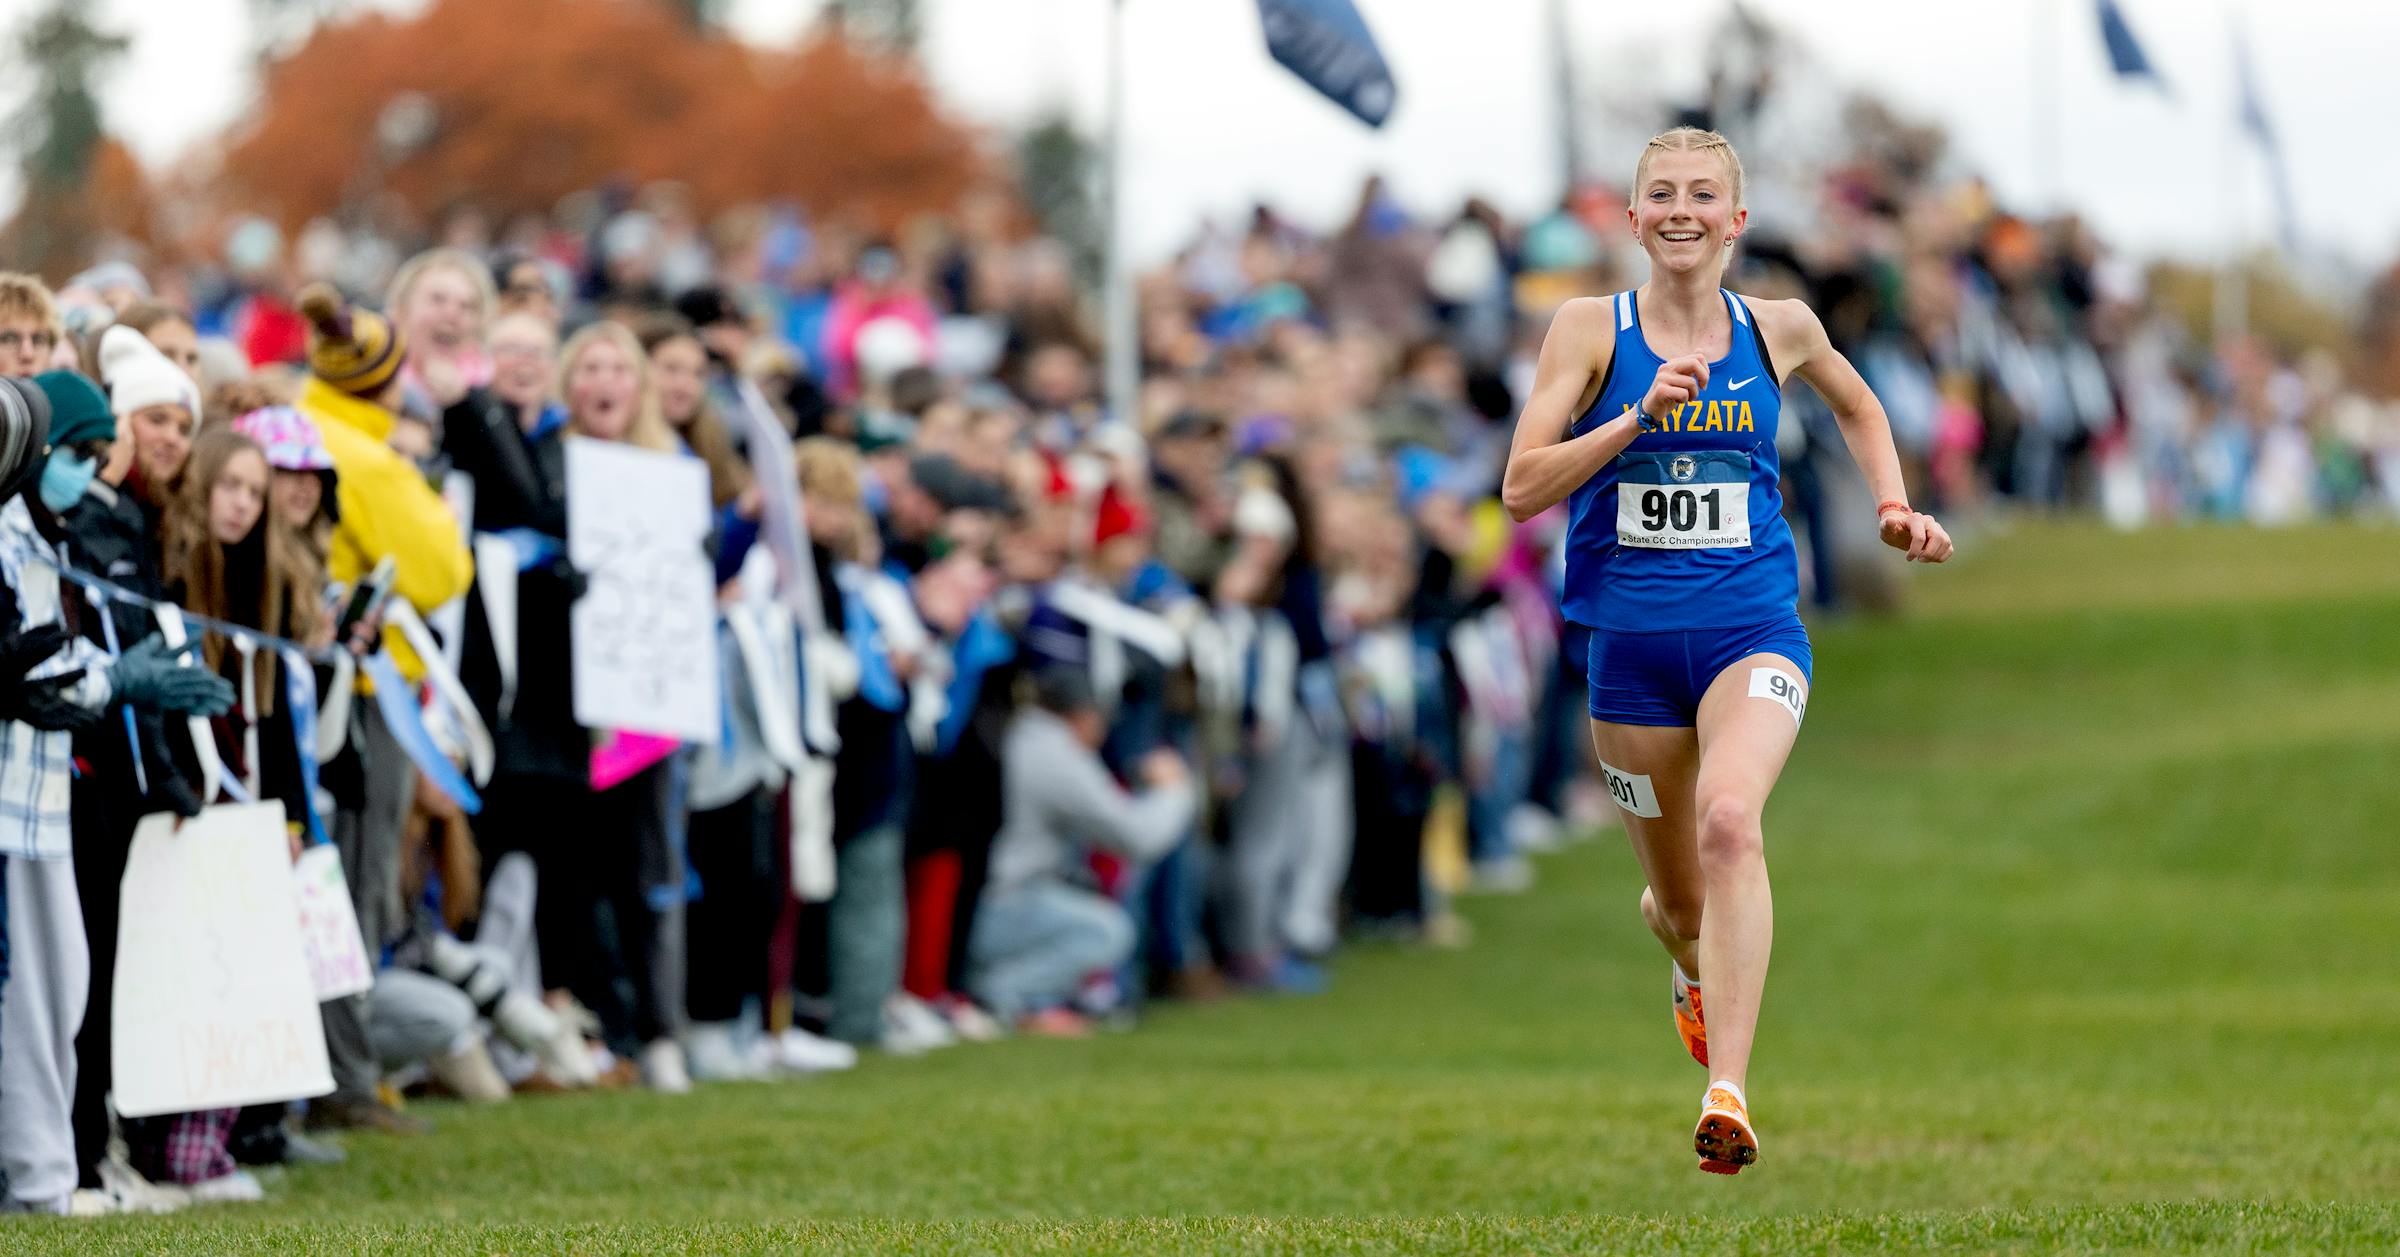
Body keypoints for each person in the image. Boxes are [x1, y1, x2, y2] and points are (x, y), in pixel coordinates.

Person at [1500, 127, 1953, 1175]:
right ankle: (1689, 967)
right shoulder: (1587, 330)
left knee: (1732, 821)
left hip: (1753, 628)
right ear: (1632, 217)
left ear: (1736, 221)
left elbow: (1860, 402)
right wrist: (1630, 422)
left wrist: (1893, 502)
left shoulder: (1780, 326)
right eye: (1660, 193)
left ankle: (1729, 1092)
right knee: (1678, 906)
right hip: (1627, 652)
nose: (1681, 210)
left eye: (1703, 194)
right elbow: (1521, 485)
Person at [972, 667, 1195, 1036]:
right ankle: (1002, 997)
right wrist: (1174, 790)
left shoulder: (1026, 735)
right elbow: (1138, 838)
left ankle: (1003, 995)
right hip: (1001, 902)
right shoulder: (1052, 752)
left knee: (1080, 898)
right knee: (1107, 931)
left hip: (986, 898)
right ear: (1082, 715)